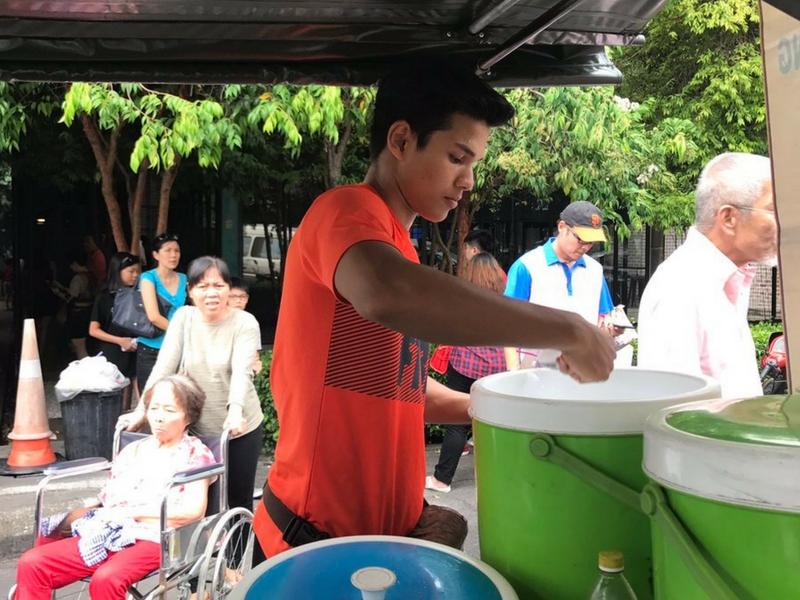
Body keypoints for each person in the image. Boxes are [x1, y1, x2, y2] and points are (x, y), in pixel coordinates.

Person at [253, 61, 616, 560]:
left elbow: (396, 386)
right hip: (317, 546)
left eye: (474, 164)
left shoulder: (397, 244)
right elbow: (389, 291)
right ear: (401, 140)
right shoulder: (345, 212)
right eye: (456, 157)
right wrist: (570, 330)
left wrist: (494, 408)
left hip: (379, 543)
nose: (467, 181)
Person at [14, 374, 215, 600]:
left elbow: (191, 512)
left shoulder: (196, 454)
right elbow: (111, 497)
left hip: (159, 537)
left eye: (169, 410)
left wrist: (132, 513)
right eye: (154, 408)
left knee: (107, 579)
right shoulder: (132, 450)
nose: (159, 418)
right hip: (108, 530)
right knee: (33, 563)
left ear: (188, 416)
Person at [123, 257, 263, 518]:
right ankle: (204, 557)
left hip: (239, 427)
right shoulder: (184, 318)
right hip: (195, 428)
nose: (211, 293)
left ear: (228, 289)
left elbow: (241, 374)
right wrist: (141, 410)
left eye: (218, 286)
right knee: (197, 504)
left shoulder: (244, 323)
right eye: (202, 286)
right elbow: (164, 366)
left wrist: (235, 411)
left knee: (237, 502)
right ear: (190, 291)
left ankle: (237, 559)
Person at [637, 152, 776, 398]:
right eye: (773, 209)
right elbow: (675, 415)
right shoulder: (679, 288)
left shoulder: (729, 281)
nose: (785, 221)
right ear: (729, 218)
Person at [425, 253, 508, 493]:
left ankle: (442, 480)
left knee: (457, 425)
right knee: (494, 420)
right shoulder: (503, 299)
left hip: (465, 364)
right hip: (495, 367)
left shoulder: (462, 297)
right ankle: (499, 477)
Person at [503, 201, 614, 369]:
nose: (585, 247)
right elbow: (508, 324)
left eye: (591, 242)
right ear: (562, 227)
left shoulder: (595, 270)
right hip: (535, 373)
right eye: (581, 239)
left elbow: (604, 318)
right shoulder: (527, 266)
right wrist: (513, 373)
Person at [89, 252, 141, 410]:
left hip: (137, 348)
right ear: (117, 272)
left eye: (137, 271)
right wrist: (120, 340)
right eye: (131, 272)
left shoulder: (140, 295)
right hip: (113, 352)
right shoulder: (105, 297)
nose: (135, 275)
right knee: (114, 398)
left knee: (144, 394)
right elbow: (93, 330)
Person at [136, 233, 187, 393]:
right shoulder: (148, 278)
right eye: (168, 250)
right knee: (151, 397)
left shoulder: (184, 278)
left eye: (177, 251)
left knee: (178, 397)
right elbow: (154, 317)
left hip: (178, 347)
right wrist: (182, 332)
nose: (173, 255)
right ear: (156, 255)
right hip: (151, 347)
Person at [51, 250, 96, 359]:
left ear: (75, 264)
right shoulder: (91, 276)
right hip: (88, 312)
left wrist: (57, 292)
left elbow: (70, 298)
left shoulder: (78, 278)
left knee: (78, 346)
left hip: (77, 315)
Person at [229, 276, 263, 374]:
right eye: (233, 297)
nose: (238, 301)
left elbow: (255, 353)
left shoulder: (250, 321)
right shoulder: (216, 319)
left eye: (242, 296)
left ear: (247, 299)